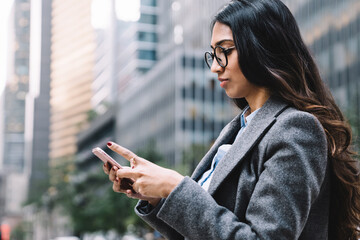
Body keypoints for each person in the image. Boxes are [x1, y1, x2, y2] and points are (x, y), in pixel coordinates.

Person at [103, 0, 360, 239]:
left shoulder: (295, 129)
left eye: (224, 50)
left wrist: (174, 188)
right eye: (213, 54)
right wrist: (157, 195)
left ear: (261, 46)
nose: (215, 66)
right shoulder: (238, 129)